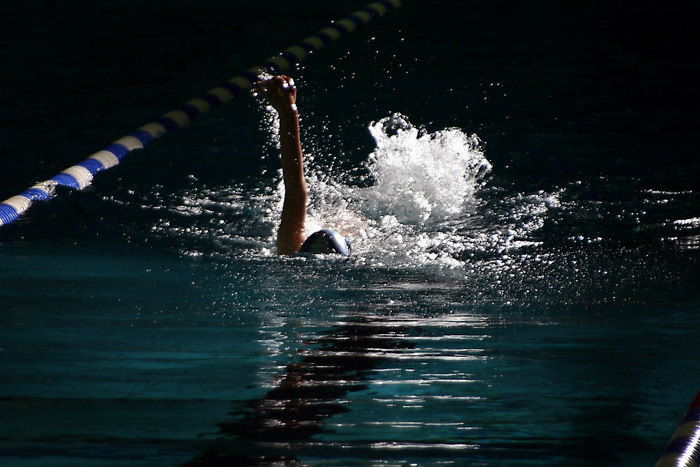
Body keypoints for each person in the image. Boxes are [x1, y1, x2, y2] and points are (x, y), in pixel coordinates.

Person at [255, 75, 351, 256]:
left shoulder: (290, 250)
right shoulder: (292, 249)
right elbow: (295, 187)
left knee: (343, 221)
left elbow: (295, 187)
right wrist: (289, 110)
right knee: (347, 221)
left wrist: (288, 110)